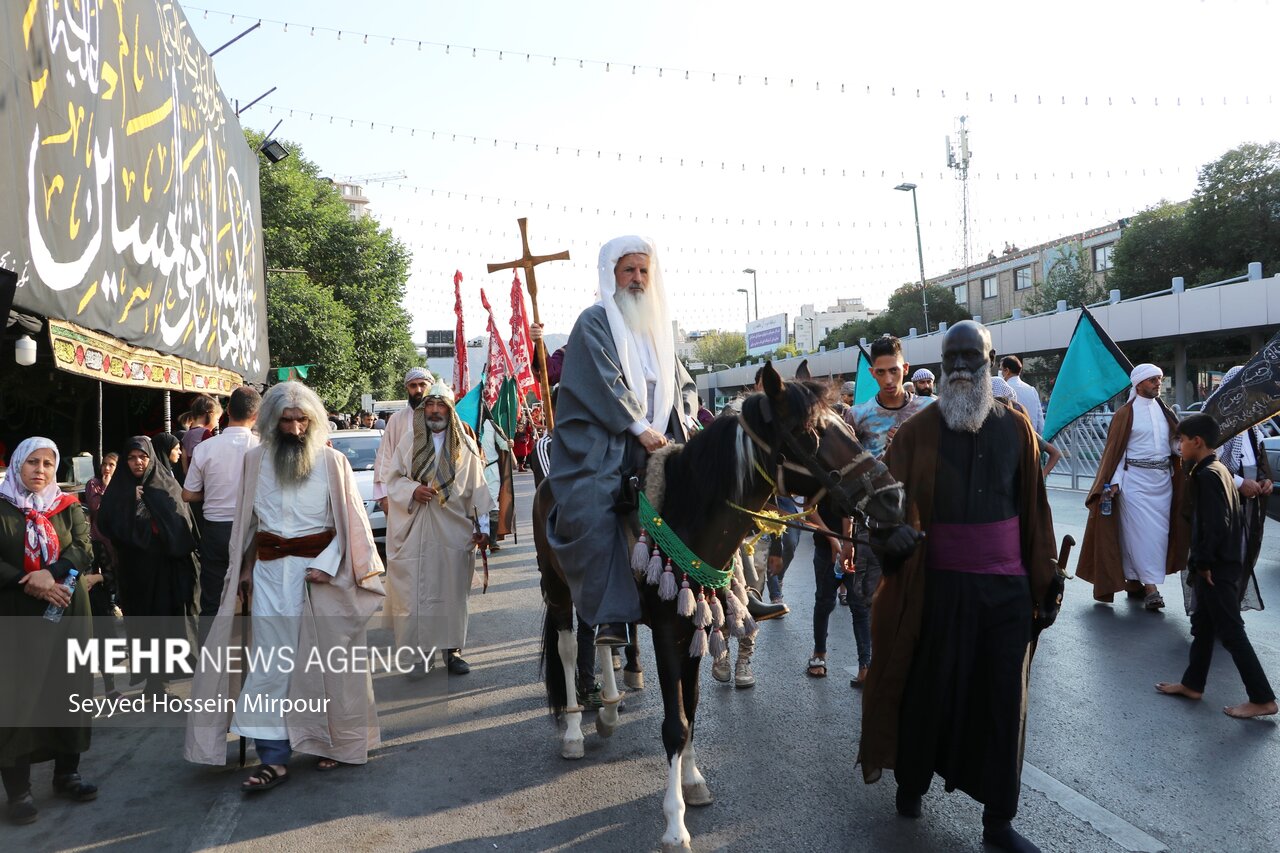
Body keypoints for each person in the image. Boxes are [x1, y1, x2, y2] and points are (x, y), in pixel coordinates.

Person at [859, 320, 1058, 853]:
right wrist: (889, 537)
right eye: (954, 360)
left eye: (975, 358)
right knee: (928, 691)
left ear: (992, 362)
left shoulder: (1017, 429)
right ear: (942, 366)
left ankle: (998, 824)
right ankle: (911, 783)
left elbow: (1035, 511)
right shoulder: (915, 434)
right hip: (936, 589)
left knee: (1003, 704)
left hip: (1006, 593)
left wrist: (1046, 579)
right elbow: (884, 509)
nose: (964, 369)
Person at [184, 382, 386, 789]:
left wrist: (329, 565)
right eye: (286, 419)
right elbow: (249, 523)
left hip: (322, 580)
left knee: (327, 665)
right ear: (271, 422)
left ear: (313, 422)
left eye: (301, 419)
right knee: (270, 665)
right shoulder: (254, 460)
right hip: (270, 577)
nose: (294, 428)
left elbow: (352, 526)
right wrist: (244, 567)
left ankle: (331, 743)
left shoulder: (332, 462)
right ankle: (273, 757)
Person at [544, 235, 699, 646]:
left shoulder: (658, 329)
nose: (637, 279)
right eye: (628, 270)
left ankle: (733, 589)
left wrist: (684, 415)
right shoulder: (593, 321)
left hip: (664, 433)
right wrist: (639, 428)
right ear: (611, 276)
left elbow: (683, 382)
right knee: (593, 503)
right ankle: (611, 615)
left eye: (643, 271)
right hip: (607, 439)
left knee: (715, 487)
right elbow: (603, 381)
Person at [0, 439, 98, 825]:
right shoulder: (2, 505)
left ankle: (67, 774)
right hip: (15, 612)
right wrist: (27, 579)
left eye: (48, 463)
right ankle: (18, 792)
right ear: (17, 465)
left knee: (69, 689)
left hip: (68, 607)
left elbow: (83, 548)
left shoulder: (67, 505)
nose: (40, 470)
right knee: (18, 697)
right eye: (33, 462)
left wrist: (51, 574)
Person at [1156, 414, 1277, 719]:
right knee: (1204, 626)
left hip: (1217, 566)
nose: (1179, 447)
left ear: (1197, 442)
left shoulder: (1206, 475)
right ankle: (1192, 684)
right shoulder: (1217, 468)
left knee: (1232, 631)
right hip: (1224, 561)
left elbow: (1215, 523)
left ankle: (1262, 698)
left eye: (1182, 441)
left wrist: (1204, 563)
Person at [839, 335, 934, 682]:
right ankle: (868, 663)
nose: (890, 380)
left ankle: (913, 663)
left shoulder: (930, 409)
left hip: (921, 520)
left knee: (920, 596)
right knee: (864, 598)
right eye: (881, 373)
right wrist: (846, 537)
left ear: (905, 368)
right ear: (872, 373)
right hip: (870, 524)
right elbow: (845, 481)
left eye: (895, 371)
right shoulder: (858, 415)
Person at [383, 380, 491, 676]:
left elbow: (477, 489)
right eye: (429, 405)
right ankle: (421, 653)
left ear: (449, 409)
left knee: (452, 594)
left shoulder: (465, 445)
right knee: (416, 595)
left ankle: (453, 650)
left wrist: (483, 528)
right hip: (415, 529)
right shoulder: (409, 441)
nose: (433, 410)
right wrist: (412, 490)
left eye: (440, 405)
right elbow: (392, 479)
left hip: (453, 530)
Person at [1077, 364, 1188, 610]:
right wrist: (1113, 483)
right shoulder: (1125, 414)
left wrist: (1183, 449)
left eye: (1159, 378)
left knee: (1158, 536)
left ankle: (1135, 580)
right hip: (1134, 483)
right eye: (1152, 380)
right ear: (1138, 384)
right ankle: (1151, 589)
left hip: (1162, 483)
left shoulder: (1164, 411)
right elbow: (1116, 452)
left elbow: (1171, 444)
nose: (1158, 383)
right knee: (1142, 536)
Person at [97, 436, 200, 695]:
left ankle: (164, 680)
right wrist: (128, 501)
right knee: (145, 626)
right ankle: (152, 682)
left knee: (167, 624)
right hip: (136, 573)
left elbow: (182, 523)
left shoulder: (166, 484)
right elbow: (108, 524)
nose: (137, 462)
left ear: (151, 457)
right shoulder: (119, 490)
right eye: (131, 458)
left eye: (142, 457)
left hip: (167, 569)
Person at [183, 386, 261, 641]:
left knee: (212, 603)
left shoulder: (207, 448)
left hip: (215, 530)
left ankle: (211, 668)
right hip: (253, 529)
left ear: (228, 410)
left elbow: (188, 494)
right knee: (256, 599)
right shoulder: (262, 448)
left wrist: (214, 493)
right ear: (257, 415)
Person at [1213, 365, 1275, 601]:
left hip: (1250, 500)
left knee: (1242, 554)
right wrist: (1239, 483)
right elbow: (1208, 464)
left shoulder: (1252, 424)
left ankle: (1231, 606)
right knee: (1222, 556)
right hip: (1224, 500)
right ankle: (1216, 611)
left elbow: (1259, 458)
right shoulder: (1218, 420)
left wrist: (1265, 480)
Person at [82, 452, 121, 699]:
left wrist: (95, 579)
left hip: (98, 598)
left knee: (104, 637)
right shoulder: (71, 547)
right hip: (76, 601)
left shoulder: (96, 548)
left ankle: (110, 687)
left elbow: (110, 575)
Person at [373, 368, 432, 513]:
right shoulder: (396, 420)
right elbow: (384, 458)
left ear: (430, 386)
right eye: (413, 386)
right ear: (407, 388)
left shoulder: (443, 417)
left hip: (436, 497)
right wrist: (384, 497)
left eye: (422, 384)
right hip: (404, 498)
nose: (418, 390)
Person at [991, 378, 1062, 478]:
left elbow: (1055, 453)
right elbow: (1055, 453)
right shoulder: (1020, 426)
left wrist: (1040, 477)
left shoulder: (1020, 427)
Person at [478, 415, 511, 551]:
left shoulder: (491, 424)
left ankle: (492, 541)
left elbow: (503, 444)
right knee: (477, 505)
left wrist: (509, 443)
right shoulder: (466, 422)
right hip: (475, 470)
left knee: (492, 503)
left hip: (491, 469)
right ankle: (480, 541)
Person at [999, 356, 1044, 434]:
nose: (1000, 373)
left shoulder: (1002, 389)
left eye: (1001, 369)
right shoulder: (1031, 390)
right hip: (1033, 438)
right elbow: (1040, 422)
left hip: (1012, 440)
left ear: (1007, 371)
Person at [181, 395, 221, 478]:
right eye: (217, 419)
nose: (217, 423)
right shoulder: (205, 434)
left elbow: (184, 459)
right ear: (211, 414)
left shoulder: (186, 435)